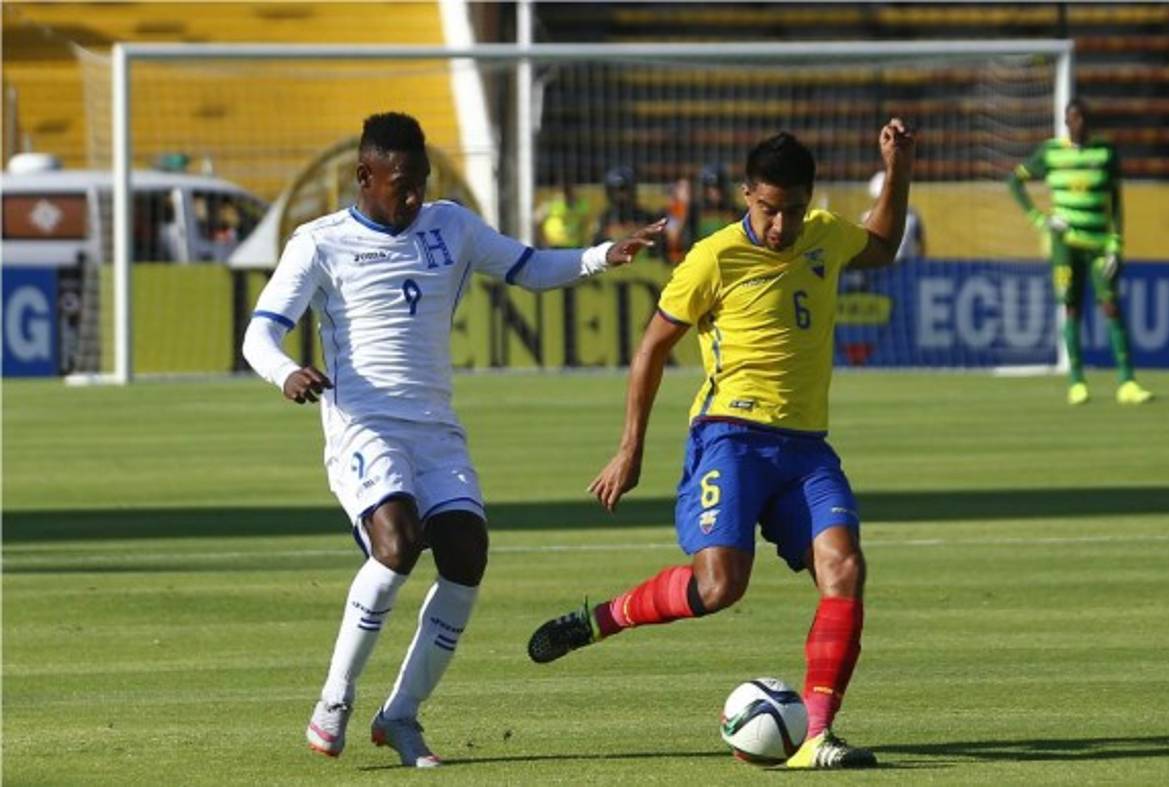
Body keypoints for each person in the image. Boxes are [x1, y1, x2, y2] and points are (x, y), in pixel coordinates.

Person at [242, 112, 663, 768]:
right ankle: (335, 697)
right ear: (365, 176)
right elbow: (258, 333)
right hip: (364, 424)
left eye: (421, 182)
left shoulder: (452, 227)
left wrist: (601, 255)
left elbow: (528, 267)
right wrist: (287, 371)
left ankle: (401, 715)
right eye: (401, 184)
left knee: (466, 554)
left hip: (436, 430)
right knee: (398, 543)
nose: (413, 196)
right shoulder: (318, 243)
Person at [527, 122, 916, 770]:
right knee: (720, 585)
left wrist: (897, 168)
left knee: (845, 568)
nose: (780, 225)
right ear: (745, 194)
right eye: (768, 209)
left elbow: (880, 246)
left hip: (806, 448)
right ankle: (600, 618)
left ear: (808, 201)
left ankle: (816, 736)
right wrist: (630, 448)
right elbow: (651, 348)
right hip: (729, 437)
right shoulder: (711, 257)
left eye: (792, 210)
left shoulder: (823, 236)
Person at [1008, 98, 1152, 405]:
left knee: (1110, 306)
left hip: (1099, 243)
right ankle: (1077, 381)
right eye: (1073, 119)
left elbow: (1116, 201)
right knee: (1071, 308)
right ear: (1065, 121)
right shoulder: (1051, 152)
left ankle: (1127, 382)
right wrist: (1039, 219)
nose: (1078, 124)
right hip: (1066, 244)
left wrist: (1117, 244)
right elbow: (1014, 181)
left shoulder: (1106, 152)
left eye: (1083, 118)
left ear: (1089, 121)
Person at [594, 166, 658, 256]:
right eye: (615, 191)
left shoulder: (646, 217)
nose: (619, 196)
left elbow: (657, 248)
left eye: (623, 190)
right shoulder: (605, 218)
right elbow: (596, 249)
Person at [535, 180, 591, 248]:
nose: (567, 195)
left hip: (575, 245)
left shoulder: (580, 204)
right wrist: (542, 241)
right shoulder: (550, 204)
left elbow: (585, 224)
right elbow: (536, 221)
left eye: (569, 191)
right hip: (554, 246)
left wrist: (585, 241)